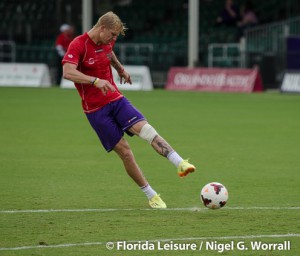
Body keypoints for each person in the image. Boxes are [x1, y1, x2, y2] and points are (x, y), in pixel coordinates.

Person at [62, 11, 196, 209]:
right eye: (113, 35)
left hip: (116, 99)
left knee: (147, 130)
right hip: (96, 110)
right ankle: (151, 196)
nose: (114, 39)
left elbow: (109, 52)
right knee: (125, 152)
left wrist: (120, 68)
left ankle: (179, 163)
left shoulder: (107, 41)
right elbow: (67, 72)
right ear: (102, 28)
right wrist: (94, 81)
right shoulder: (79, 44)